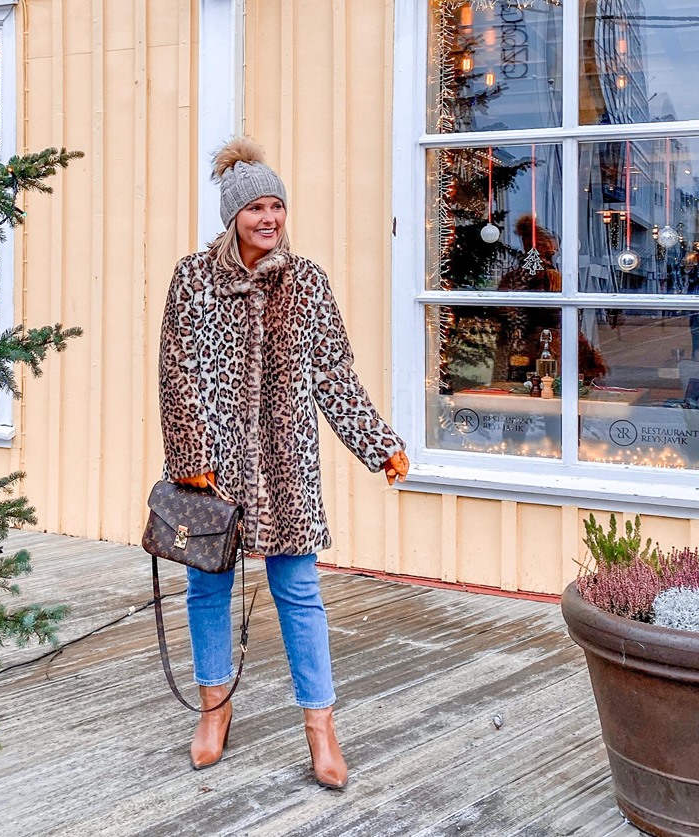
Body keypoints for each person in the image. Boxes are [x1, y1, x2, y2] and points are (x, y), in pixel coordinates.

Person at [157, 137, 409, 790]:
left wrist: (379, 443)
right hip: (212, 468)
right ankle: (214, 708)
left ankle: (321, 728)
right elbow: (175, 373)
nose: (268, 218)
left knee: (298, 591)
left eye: (276, 206)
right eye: (255, 208)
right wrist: (189, 456)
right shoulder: (192, 280)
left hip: (285, 464)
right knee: (207, 587)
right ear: (232, 215)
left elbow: (333, 374)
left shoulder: (308, 282)